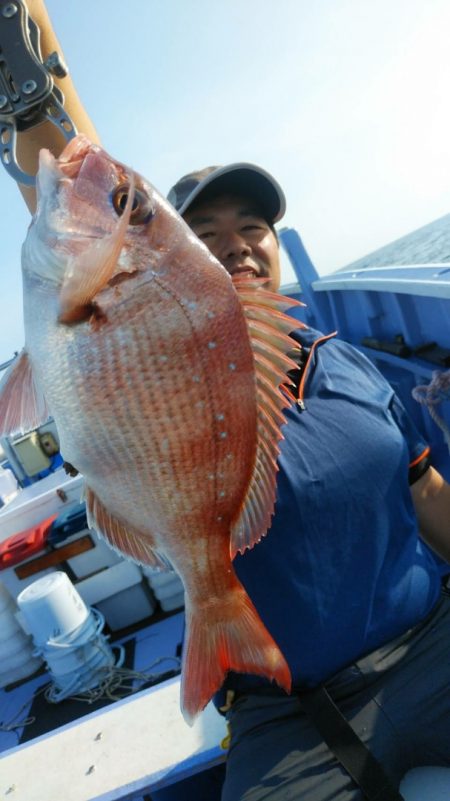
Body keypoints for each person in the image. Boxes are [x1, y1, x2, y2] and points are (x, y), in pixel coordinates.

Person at [9, 4, 450, 799]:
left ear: (278, 247)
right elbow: (71, 181)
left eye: (255, 226)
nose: (237, 240)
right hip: (288, 713)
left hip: (436, 645)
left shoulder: (349, 359)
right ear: (177, 255)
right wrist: (30, 100)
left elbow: (425, 488)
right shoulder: (130, 308)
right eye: (204, 227)